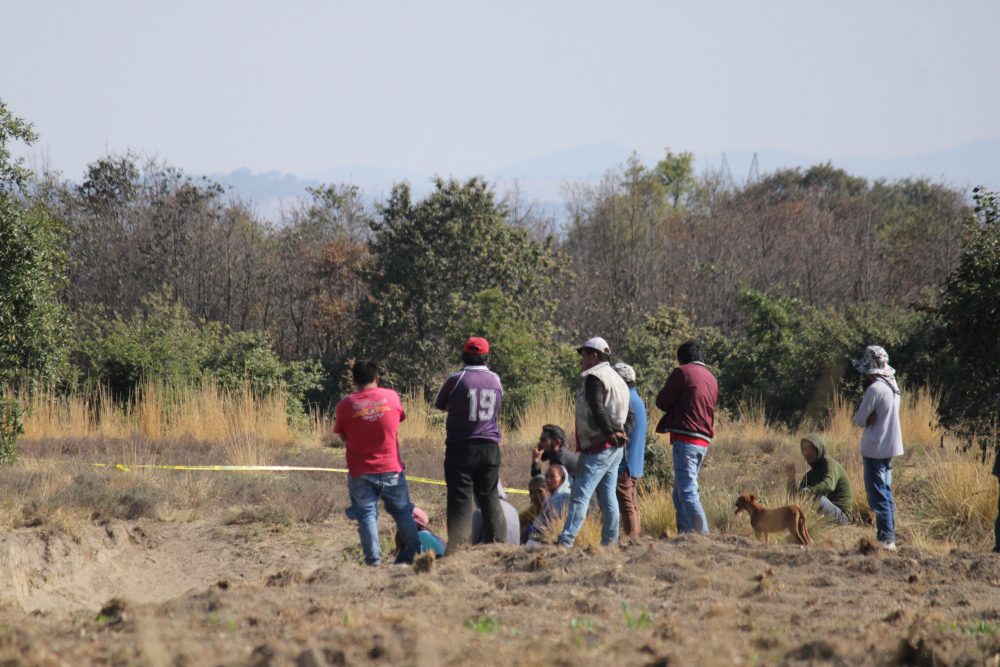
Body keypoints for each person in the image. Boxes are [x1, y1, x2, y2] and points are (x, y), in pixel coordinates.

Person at [334, 360, 420, 566]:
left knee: (367, 516)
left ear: (353, 380)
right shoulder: (391, 396)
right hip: (391, 467)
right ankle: (414, 554)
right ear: (377, 378)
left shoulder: (345, 405)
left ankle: (373, 563)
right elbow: (398, 418)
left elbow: (342, 435)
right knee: (402, 511)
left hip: (360, 469)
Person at [558, 337, 633, 547]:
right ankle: (610, 543)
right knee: (608, 497)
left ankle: (566, 540)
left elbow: (598, 409)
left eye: (583, 355)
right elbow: (631, 414)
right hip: (615, 447)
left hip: (599, 446)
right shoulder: (619, 380)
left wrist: (610, 433)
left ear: (594, 356)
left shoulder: (594, 377)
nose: (581, 360)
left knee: (580, 494)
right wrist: (621, 432)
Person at [434, 336, 506, 551]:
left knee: (460, 498)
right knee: (490, 496)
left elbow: (441, 404)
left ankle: (458, 548)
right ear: (486, 356)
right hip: (490, 447)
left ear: (464, 354)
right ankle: (497, 546)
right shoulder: (496, 380)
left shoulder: (457, 379)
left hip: (461, 446)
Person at [655, 341, 718, 536]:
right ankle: (686, 535)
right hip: (703, 439)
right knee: (681, 491)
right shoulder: (711, 378)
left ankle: (702, 535)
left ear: (681, 358)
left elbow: (662, 401)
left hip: (687, 438)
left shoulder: (682, 372)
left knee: (687, 491)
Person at [851, 345, 904, 551]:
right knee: (887, 493)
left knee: (878, 495)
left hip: (875, 447)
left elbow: (859, 419)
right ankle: (889, 536)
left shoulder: (874, 389)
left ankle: (885, 539)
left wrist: (868, 418)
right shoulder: (893, 386)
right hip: (890, 446)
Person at [785, 433, 853, 526]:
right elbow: (797, 499)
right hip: (823, 517)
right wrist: (791, 479)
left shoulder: (830, 465)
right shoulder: (809, 475)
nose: (807, 452)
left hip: (841, 517)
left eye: (811, 448)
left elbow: (829, 485)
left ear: (819, 448)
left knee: (816, 498)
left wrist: (809, 491)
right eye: (804, 449)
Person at [613, 362, 647, 542]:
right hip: (635, 461)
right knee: (632, 502)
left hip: (625, 462)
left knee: (626, 503)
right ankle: (635, 537)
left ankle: (631, 539)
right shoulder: (637, 399)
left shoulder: (626, 400)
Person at [526, 464, 573, 544]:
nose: (548, 479)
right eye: (546, 476)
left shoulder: (564, 497)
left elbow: (554, 525)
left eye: (552, 476)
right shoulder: (550, 498)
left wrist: (537, 530)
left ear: (563, 479)